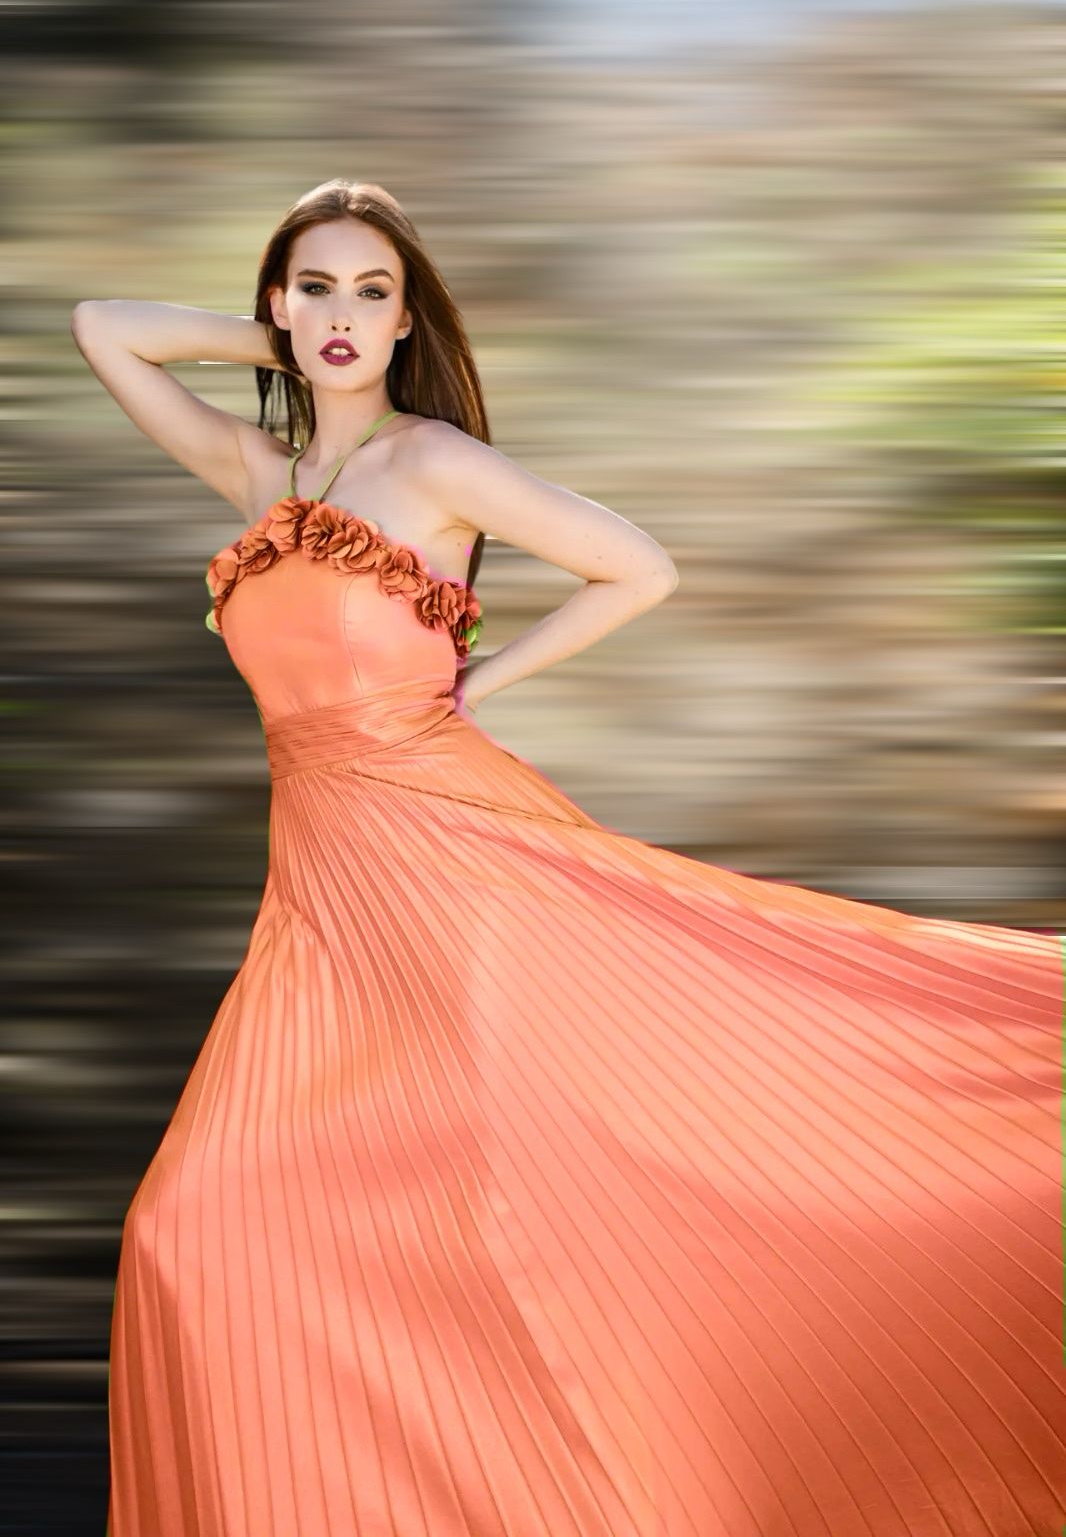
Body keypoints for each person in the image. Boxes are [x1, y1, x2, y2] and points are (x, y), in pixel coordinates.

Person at [72, 178, 1065, 1537]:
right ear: (277, 305)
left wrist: (478, 684)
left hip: (453, 863)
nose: (343, 313)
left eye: (373, 293)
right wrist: (290, 344)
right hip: (320, 899)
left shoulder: (433, 463)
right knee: (198, 1226)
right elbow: (102, 326)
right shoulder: (262, 476)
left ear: (410, 317)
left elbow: (638, 566)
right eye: (316, 288)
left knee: (532, 1197)